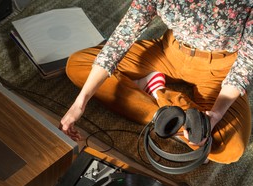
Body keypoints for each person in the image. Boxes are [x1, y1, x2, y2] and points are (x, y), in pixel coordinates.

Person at [59, 0, 252, 164]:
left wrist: (215, 115)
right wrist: (80, 103)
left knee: (230, 148)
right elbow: (123, 36)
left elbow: (246, 61)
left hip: (220, 68)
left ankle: (161, 100)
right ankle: (167, 112)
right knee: (78, 65)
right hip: (168, 52)